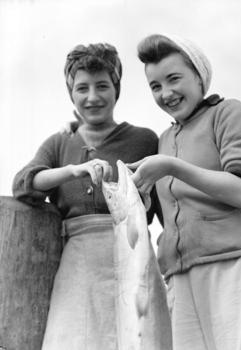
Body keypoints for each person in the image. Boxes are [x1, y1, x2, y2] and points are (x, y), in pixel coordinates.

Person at [12, 43, 161, 350]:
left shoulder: (144, 139)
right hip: (79, 263)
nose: (92, 97)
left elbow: (160, 206)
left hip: (133, 256)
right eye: (82, 88)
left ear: (116, 88)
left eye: (102, 86)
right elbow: (24, 184)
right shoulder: (61, 141)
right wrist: (73, 170)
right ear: (71, 94)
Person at [127, 34, 241, 349]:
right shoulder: (164, 140)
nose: (166, 93)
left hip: (233, 264)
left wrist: (172, 167)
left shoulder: (229, 113)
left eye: (174, 78)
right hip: (179, 275)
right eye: (155, 86)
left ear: (199, 74)